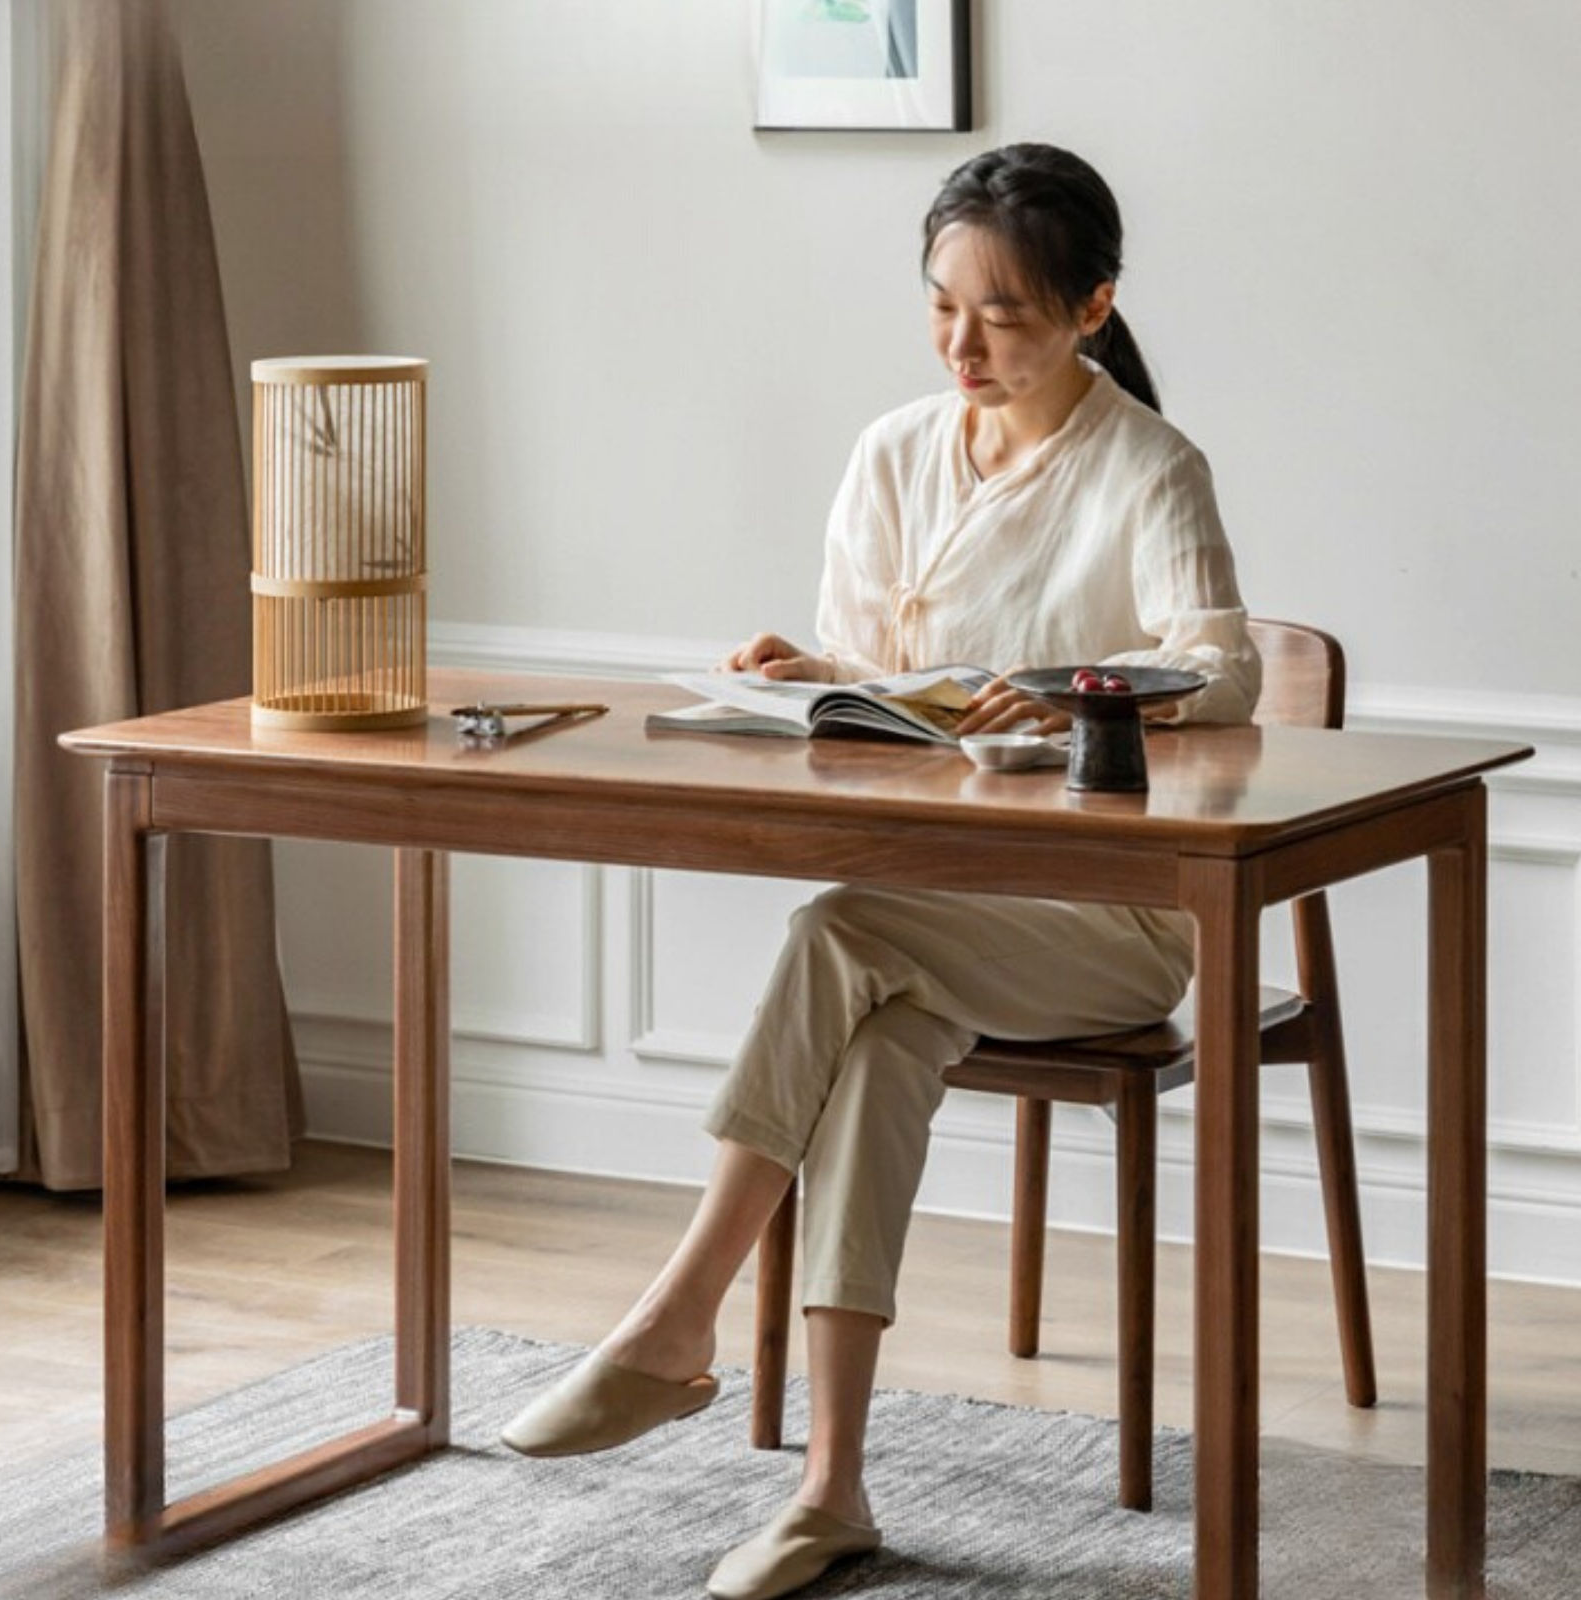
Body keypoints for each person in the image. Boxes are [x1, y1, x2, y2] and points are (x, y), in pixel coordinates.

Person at [501, 142, 1261, 1600]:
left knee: (845, 930)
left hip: (1107, 922)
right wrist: (812, 669)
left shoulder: (1149, 466)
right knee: (881, 1041)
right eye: (940, 308)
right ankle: (832, 1488)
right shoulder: (893, 449)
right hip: (938, 907)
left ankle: (676, 1319)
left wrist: (1077, 688)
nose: (962, 347)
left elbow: (1221, 668)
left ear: (1093, 307)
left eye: (1006, 318)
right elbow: (885, 676)